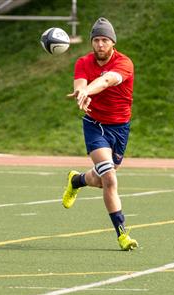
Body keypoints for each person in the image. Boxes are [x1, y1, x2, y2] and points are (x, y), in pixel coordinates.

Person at [63, 17, 138, 251]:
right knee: (110, 179)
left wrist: (87, 90)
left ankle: (76, 180)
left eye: (105, 40)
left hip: (120, 128)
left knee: (101, 178)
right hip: (95, 126)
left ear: (113, 43)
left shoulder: (124, 63)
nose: (100, 44)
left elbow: (106, 80)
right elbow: (79, 85)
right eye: (96, 40)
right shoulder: (83, 62)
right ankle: (122, 234)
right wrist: (80, 93)